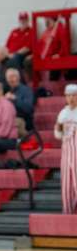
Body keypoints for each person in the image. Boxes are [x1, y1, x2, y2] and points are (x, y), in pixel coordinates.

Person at [55, 84, 77, 214]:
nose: (71, 98)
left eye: (74, 95)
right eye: (68, 95)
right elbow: (58, 134)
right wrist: (58, 127)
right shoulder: (63, 113)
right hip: (66, 151)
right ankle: (68, 213)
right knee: (67, 184)